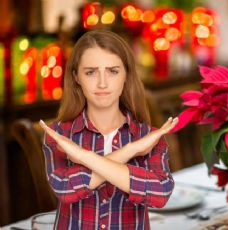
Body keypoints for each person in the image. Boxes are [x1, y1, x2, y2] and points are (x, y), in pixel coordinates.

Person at [39, 30, 177, 229]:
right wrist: (131, 150)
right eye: (91, 72)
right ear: (77, 77)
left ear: (126, 75)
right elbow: (65, 189)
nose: (102, 83)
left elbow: (160, 193)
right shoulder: (59, 134)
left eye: (113, 71)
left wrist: (81, 156)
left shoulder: (148, 136)